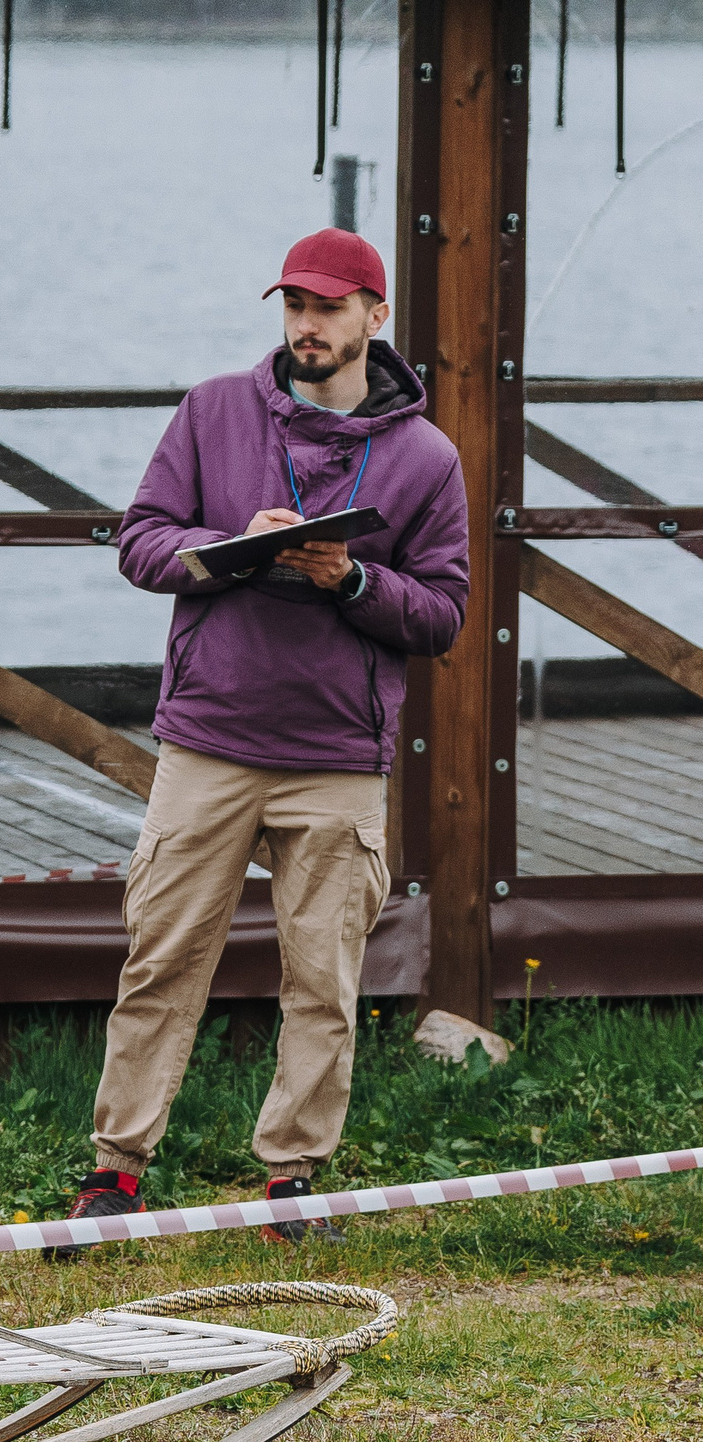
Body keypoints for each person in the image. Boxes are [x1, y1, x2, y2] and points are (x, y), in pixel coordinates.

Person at [58, 228, 469, 1248]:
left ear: (375, 318)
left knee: (322, 980)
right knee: (160, 959)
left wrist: (352, 579)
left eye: (328, 308)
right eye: (292, 304)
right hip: (208, 739)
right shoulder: (212, 411)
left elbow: (443, 615)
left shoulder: (426, 458)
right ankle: (115, 1171)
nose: (305, 325)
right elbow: (141, 541)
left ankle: (294, 1182)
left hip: (337, 759)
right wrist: (228, 549)